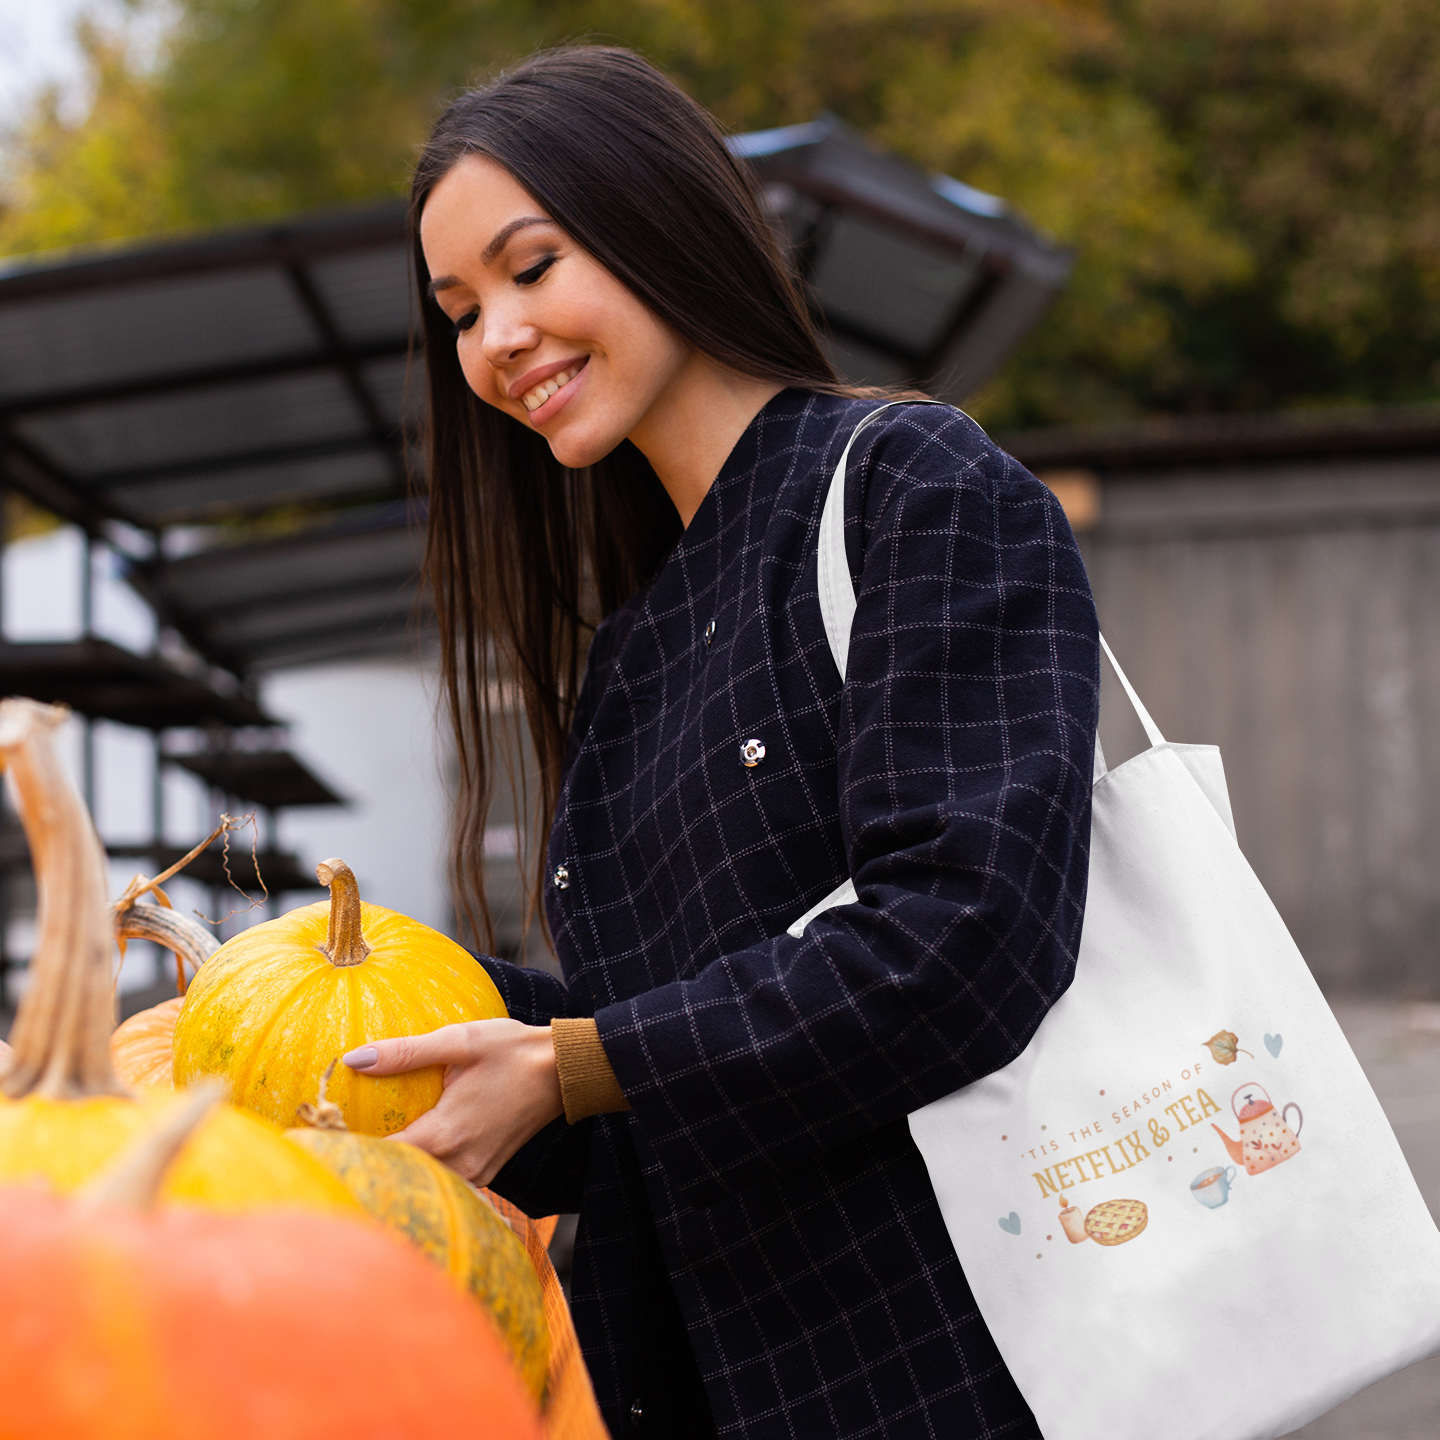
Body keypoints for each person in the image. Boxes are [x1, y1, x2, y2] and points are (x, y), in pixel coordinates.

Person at [341, 45, 1099, 1439]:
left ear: (658, 219)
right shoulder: (632, 644)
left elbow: (965, 942)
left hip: (947, 1373)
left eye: (530, 266)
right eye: (458, 311)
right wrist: (348, 996)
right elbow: (673, 1057)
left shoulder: (913, 488)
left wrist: (578, 1061)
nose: (495, 339)